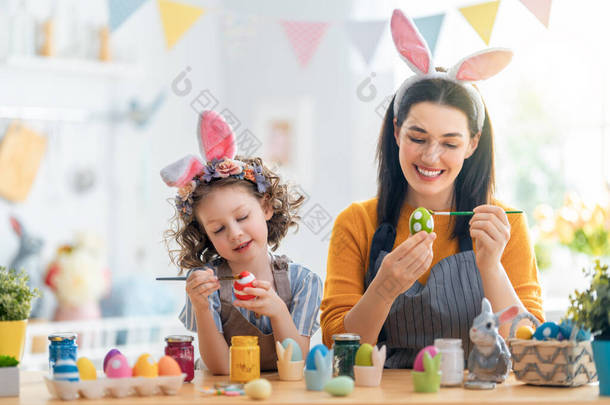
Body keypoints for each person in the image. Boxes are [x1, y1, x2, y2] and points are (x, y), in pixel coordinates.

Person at [320, 9, 544, 368]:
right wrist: (383, 288)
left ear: (472, 144)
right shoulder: (357, 222)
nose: (431, 156)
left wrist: (490, 267)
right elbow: (336, 348)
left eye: (450, 143)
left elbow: (530, 349)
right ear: (396, 132)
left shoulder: (504, 226)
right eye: (417, 137)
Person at [162, 111, 322, 375]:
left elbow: (296, 362)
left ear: (267, 207)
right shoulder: (205, 284)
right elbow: (221, 368)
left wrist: (278, 311)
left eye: (242, 217)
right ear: (206, 236)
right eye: (218, 229)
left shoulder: (303, 282)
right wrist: (201, 307)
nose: (235, 233)